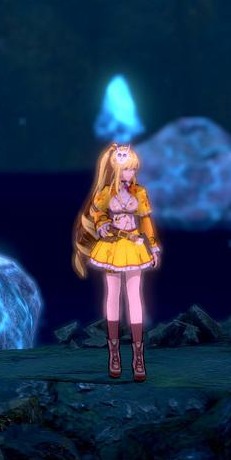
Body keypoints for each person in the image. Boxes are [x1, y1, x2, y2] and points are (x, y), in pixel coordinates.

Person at [72, 142, 162, 381]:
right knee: (112, 296)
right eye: (126, 169)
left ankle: (138, 356)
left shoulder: (139, 192)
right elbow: (98, 212)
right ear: (116, 170)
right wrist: (102, 224)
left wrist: (153, 246)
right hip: (112, 246)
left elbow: (146, 221)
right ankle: (114, 354)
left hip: (134, 247)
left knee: (134, 298)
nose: (130, 173)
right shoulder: (106, 193)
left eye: (132, 169)